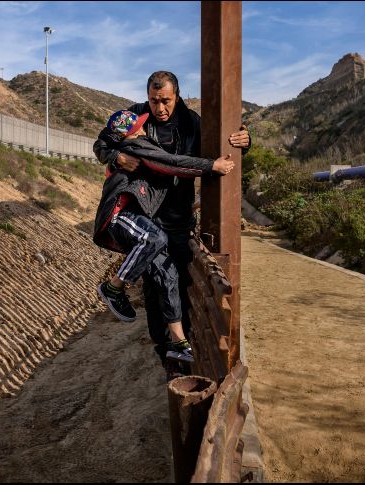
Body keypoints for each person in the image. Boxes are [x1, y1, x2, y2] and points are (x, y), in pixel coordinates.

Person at [93, 71, 251, 379]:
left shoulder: (192, 122)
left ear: (176, 96)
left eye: (165, 101)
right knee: (154, 286)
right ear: (147, 97)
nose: (160, 108)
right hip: (146, 214)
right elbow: (102, 144)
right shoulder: (134, 118)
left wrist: (245, 140)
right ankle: (168, 355)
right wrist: (116, 158)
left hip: (178, 219)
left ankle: (184, 346)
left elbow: (221, 145)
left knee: (179, 281)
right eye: (154, 101)